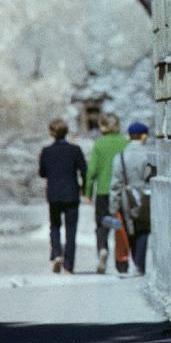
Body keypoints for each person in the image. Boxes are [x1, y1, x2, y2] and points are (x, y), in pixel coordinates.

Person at [38, 118, 87, 274]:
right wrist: (84, 189)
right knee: (71, 229)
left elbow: (42, 173)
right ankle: (69, 265)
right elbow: (84, 170)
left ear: (52, 133)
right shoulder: (75, 149)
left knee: (55, 226)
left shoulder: (46, 151)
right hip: (71, 193)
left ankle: (57, 253)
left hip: (54, 194)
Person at [84, 113, 129, 274]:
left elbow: (92, 171)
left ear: (102, 126)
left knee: (102, 224)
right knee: (120, 226)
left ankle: (102, 249)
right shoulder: (125, 142)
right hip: (121, 191)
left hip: (103, 191)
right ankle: (122, 262)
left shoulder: (99, 144)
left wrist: (87, 192)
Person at [109, 121, 154, 276]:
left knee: (130, 229)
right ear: (144, 136)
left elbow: (116, 183)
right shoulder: (149, 155)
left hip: (126, 198)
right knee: (143, 229)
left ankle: (134, 263)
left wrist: (113, 206)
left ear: (129, 137)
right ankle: (139, 266)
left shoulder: (120, 156)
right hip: (146, 196)